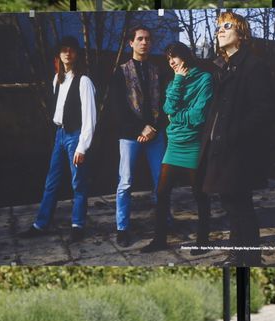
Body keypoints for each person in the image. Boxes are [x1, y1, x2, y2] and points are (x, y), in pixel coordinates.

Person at [198, 11, 274, 266]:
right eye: (218, 26)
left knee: (240, 206)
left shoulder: (253, 65)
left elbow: (264, 110)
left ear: (241, 34)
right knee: (233, 205)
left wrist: (233, 135)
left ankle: (248, 259)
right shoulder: (225, 66)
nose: (220, 30)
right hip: (222, 148)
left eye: (226, 26)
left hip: (240, 151)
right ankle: (239, 256)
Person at [21, 36, 96, 242]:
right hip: (60, 135)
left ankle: (78, 226)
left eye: (71, 50)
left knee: (78, 183)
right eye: (63, 50)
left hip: (75, 136)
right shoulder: (58, 80)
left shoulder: (84, 81)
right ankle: (41, 224)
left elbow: (90, 117)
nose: (67, 53)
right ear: (59, 54)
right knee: (51, 183)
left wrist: (82, 146)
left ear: (76, 54)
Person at [141, 42, 213, 253]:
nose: (171, 62)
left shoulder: (204, 79)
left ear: (185, 56)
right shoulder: (175, 80)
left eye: (174, 57)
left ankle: (203, 241)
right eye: (168, 59)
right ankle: (159, 239)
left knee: (199, 195)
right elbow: (167, 108)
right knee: (161, 193)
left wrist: (177, 117)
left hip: (193, 146)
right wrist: (179, 80)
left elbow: (199, 116)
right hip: (174, 145)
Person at [111, 25, 168, 247]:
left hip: (155, 134)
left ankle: (164, 220)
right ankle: (122, 228)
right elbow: (118, 108)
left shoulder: (158, 70)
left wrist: (153, 127)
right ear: (131, 43)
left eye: (148, 39)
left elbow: (165, 102)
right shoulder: (121, 71)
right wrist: (140, 128)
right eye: (140, 39)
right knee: (125, 182)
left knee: (161, 182)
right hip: (129, 135)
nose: (145, 42)